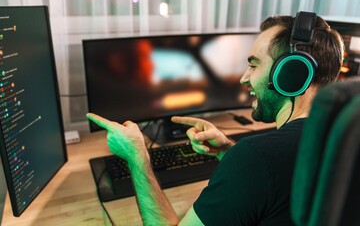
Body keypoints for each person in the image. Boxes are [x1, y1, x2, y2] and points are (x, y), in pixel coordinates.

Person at [87, 12, 344, 226]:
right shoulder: (345, 136)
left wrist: (137, 156)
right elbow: (284, 180)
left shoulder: (257, 157)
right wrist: (229, 152)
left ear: (292, 74)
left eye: (254, 65)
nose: (244, 79)